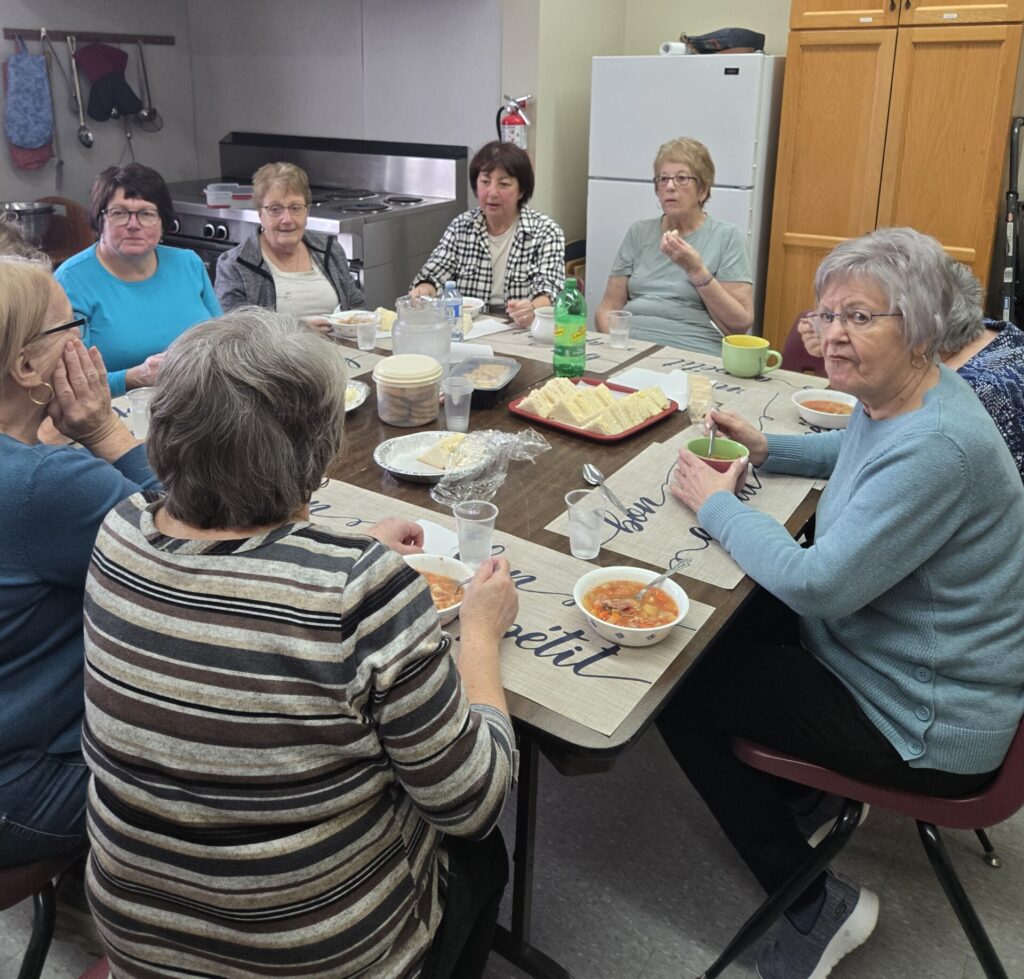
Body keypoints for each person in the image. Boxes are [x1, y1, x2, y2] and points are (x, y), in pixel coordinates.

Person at [81, 306, 518, 978]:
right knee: (484, 854)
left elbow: (237, 586)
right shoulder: (360, 593)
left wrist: (335, 557)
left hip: (138, 940)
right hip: (311, 954)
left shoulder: (119, 532)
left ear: (163, 432)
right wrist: (481, 636)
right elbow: (474, 800)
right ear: (321, 449)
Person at [660, 228, 1024, 978]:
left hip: (921, 718)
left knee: (679, 685)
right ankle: (795, 789)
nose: (831, 336)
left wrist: (716, 506)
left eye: (859, 317)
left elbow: (818, 582)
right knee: (724, 621)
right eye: (826, 316)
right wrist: (770, 449)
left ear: (919, 326)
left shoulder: (938, 447)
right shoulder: (919, 391)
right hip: (893, 657)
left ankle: (813, 901)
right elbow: (860, 448)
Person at [0, 257, 158, 868]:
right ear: (26, 366)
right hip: (23, 787)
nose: (84, 342)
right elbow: (191, 554)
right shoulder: (47, 486)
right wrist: (104, 432)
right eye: (72, 327)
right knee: (222, 774)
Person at [798, 258, 1024, 479]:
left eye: (862, 318)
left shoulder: (968, 394)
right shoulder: (990, 333)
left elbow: (882, 449)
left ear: (922, 336)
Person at [54, 163, 221, 397]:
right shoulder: (70, 281)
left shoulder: (188, 264)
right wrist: (133, 377)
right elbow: (69, 380)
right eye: (119, 213)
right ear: (100, 220)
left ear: (163, 221)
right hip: (112, 415)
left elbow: (222, 341)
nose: (133, 225)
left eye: (146, 214)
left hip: (197, 403)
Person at [595, 136, 754, 355]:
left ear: (703, 190)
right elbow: (608, 307)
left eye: (681, 178)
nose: (670, 186)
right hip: (630, 347)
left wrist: (696, 271)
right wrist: (613, 346)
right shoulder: (639, 232)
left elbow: (739, 324)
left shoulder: (727, 237)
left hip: (691, 349)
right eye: (663, 179)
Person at [409, 140, 565, 328]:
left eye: (504, 184)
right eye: (485, 182)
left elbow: (550, 290)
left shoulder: (545, 232)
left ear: (521, 190)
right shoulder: (462, 226)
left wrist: (531, 308)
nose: (492, 192)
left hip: (521, 329)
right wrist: (424, 290)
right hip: (468, 328)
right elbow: (434, 273)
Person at [215, 161, 366, 328]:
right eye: (275, 209)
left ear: (307, 211)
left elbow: (357, 307)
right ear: (260, 214)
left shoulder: (330, 250)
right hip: (276, 355)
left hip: (341, 351)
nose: (287, 219)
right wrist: (299, 329)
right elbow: (236, 333)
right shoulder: (234, 266)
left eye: (295, 208)